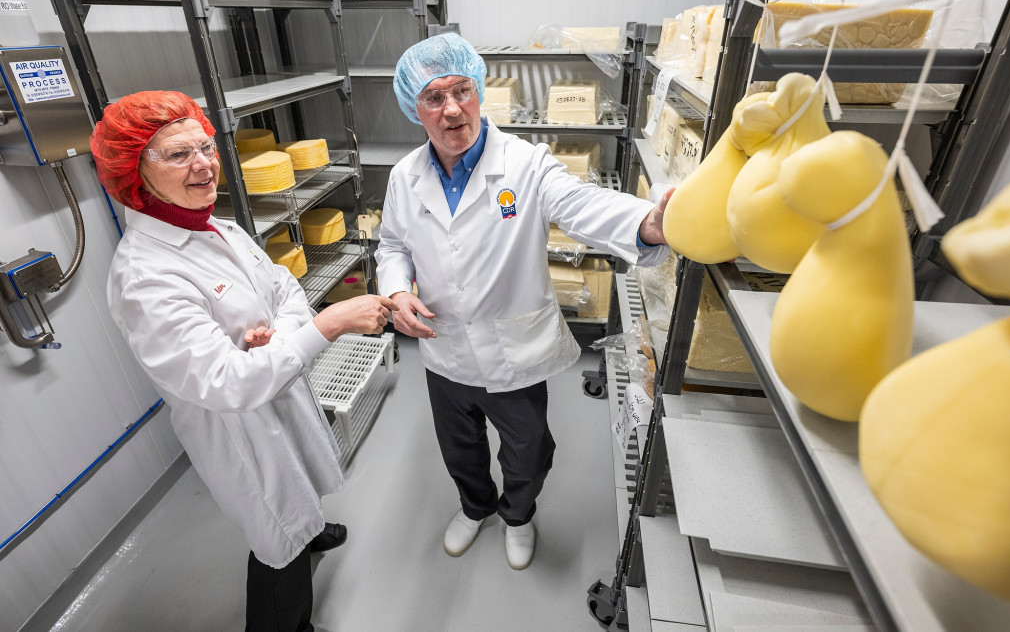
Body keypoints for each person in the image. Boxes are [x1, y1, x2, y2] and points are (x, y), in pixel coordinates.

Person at [91, 90, 395, 632]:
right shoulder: (146, 276)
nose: (204, 166)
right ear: (134, 173)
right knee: (275, 530)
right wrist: (330, 324)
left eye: (205, 147)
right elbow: (228, 385)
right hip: (239, 429)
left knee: (302, 484)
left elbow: (285, 289)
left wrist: (281, 335)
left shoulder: (218, 228)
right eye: (178, 155)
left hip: (278, 391)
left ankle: (310, 530)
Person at [376, 32, 673, 570]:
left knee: (529, 451)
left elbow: (580, 204)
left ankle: (517, 514)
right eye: (433, 98)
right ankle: (475, 506)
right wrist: (396, 290)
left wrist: (646, 223)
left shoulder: (525, 163)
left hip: (513, 351)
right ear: (412, 107)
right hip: (442, 348)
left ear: (479, 90)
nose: (452, 110)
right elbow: (393, 244)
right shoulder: (404, 177)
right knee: (458, 447)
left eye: (462, 91)